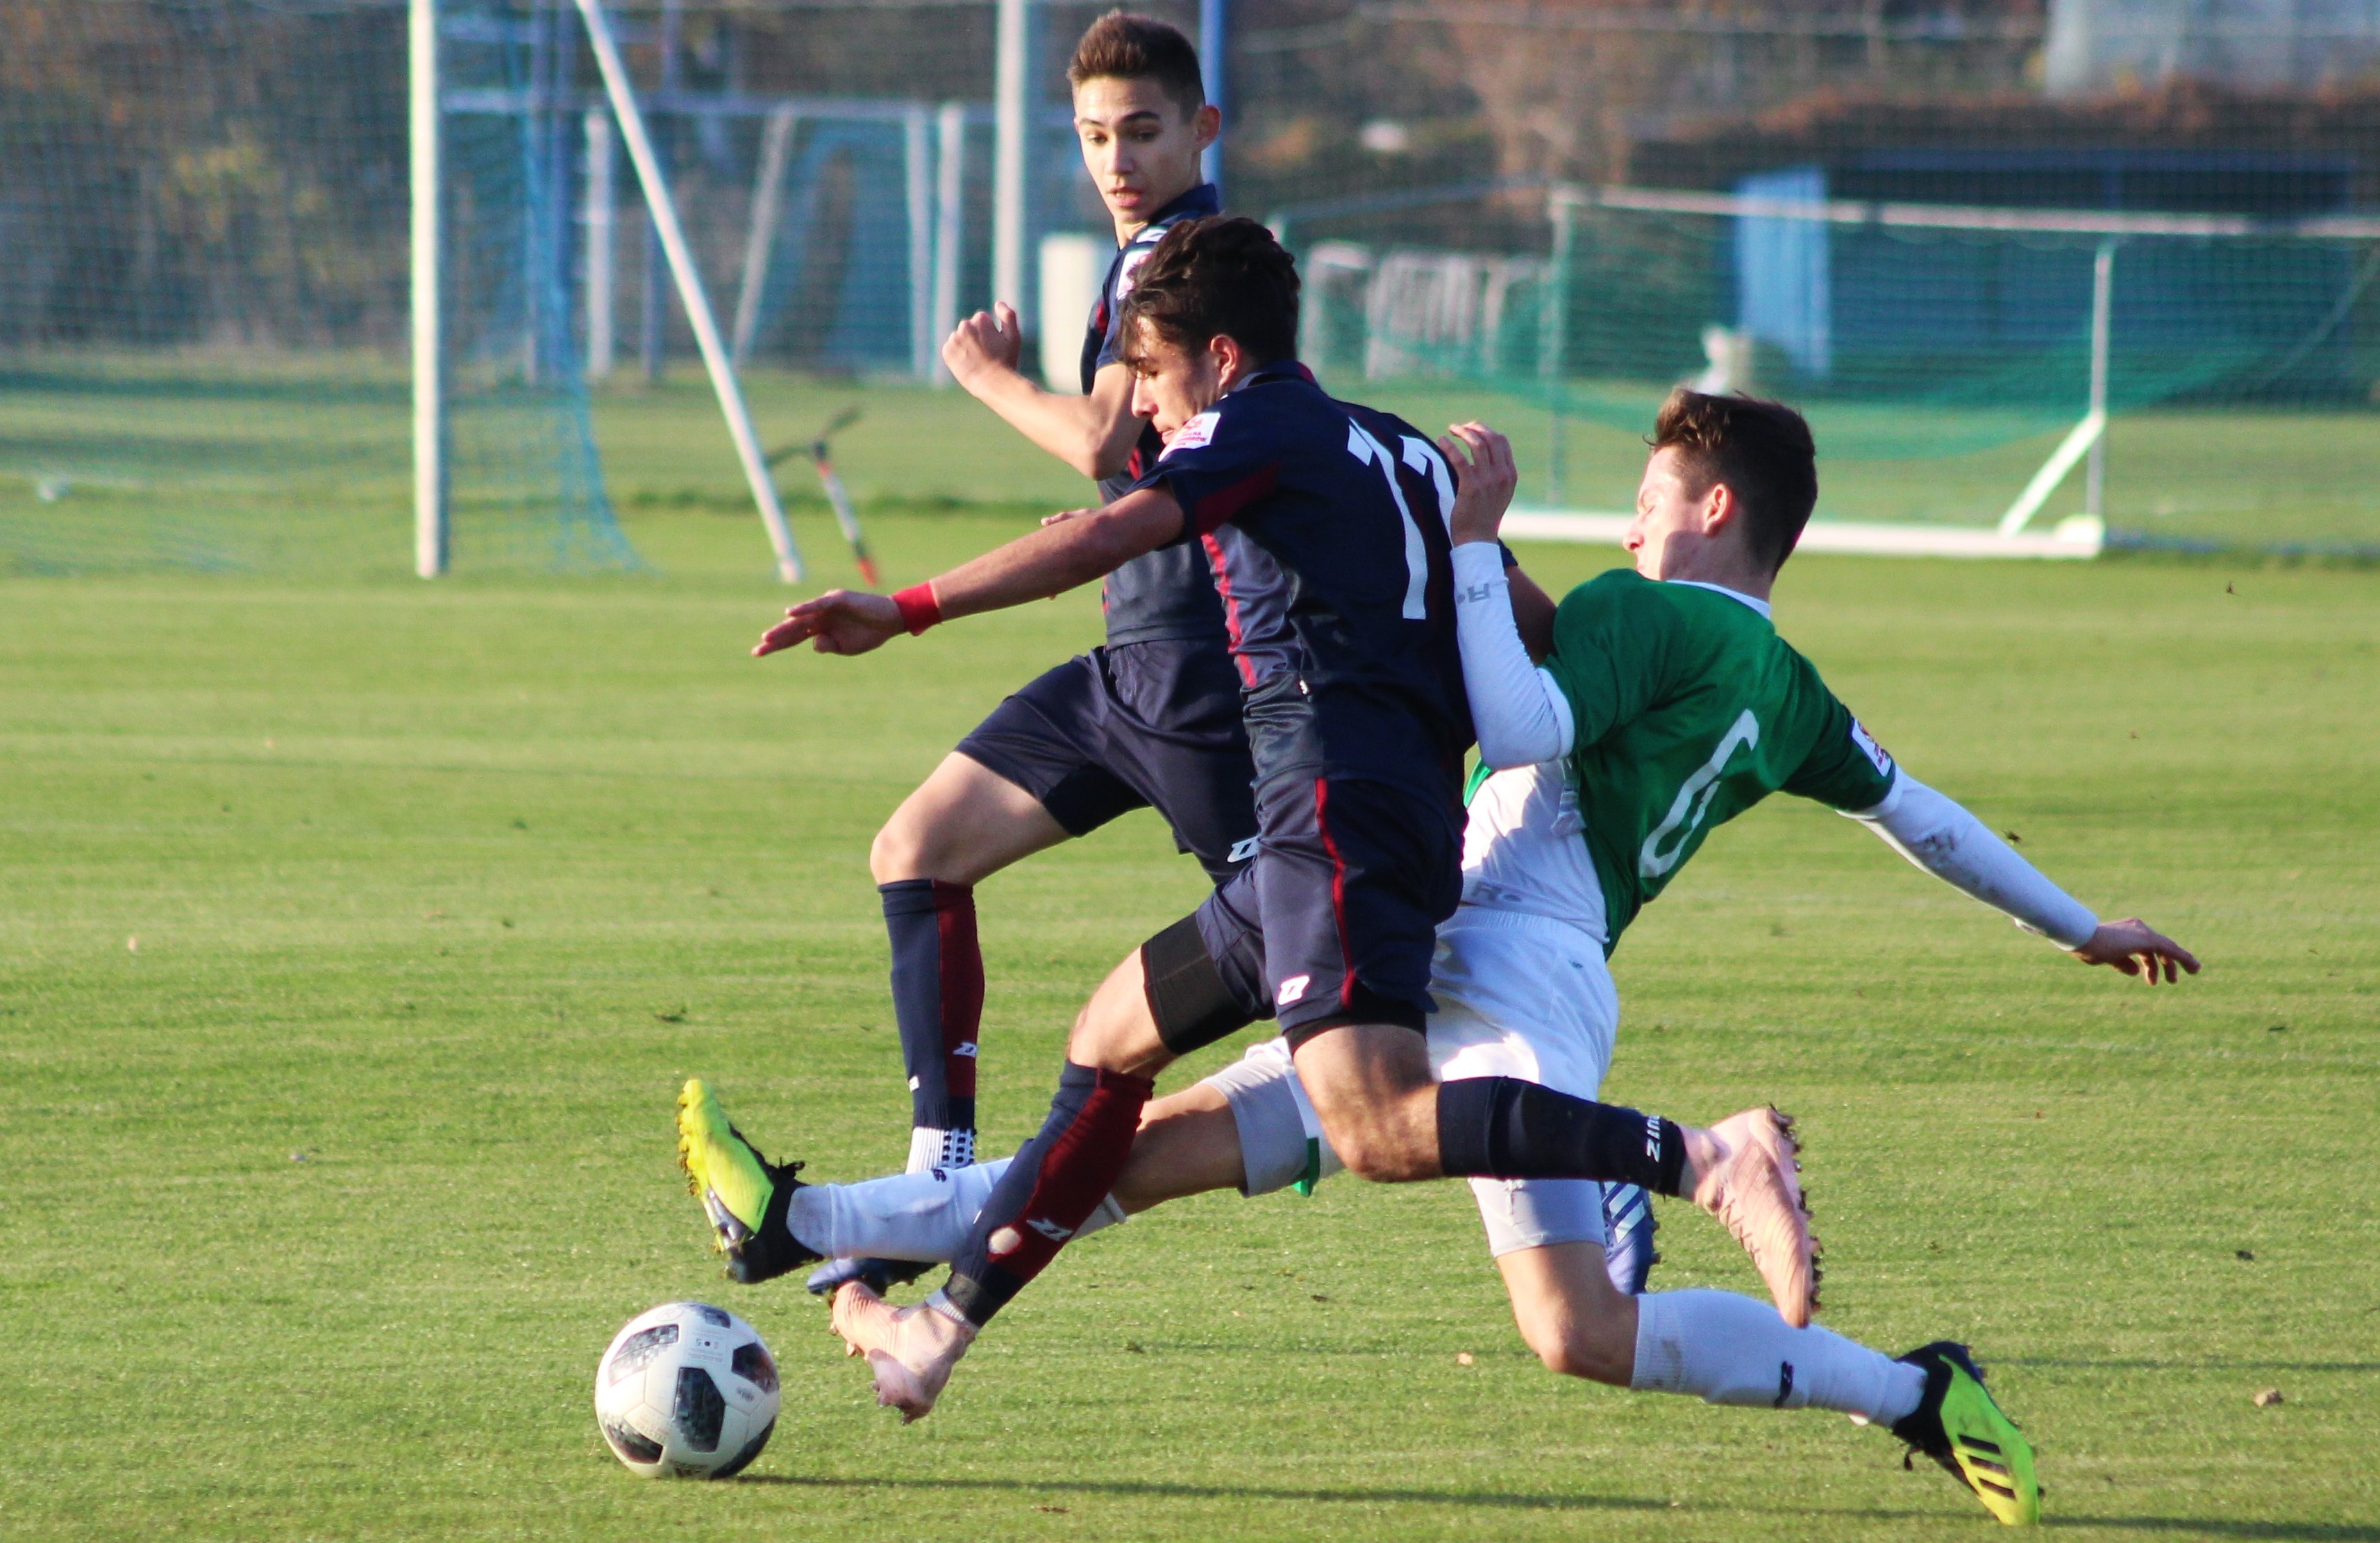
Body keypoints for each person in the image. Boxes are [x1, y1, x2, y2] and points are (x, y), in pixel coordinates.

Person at [684, 389, 2197, 1526]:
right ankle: (865, 1260)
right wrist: (2078, 922)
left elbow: (1528, 724)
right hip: (1479, 955)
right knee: (1134, 1154)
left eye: (1653, 497)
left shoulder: (1643, 611)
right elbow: (1922, 817)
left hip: (1502, 953)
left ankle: (1752, 1214)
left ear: (1717, 507)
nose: (1627, 525)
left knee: (1562, 1326)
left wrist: (1474, 550)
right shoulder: (1788, 686)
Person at [692, 218, 1830, 1428]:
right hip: (1338, 835)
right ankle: (932, 1330)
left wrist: (905, 606)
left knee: (1380, 1124)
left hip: (1332, 834)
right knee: (1107, 1046)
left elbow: (1109, 529)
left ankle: (1686, 1157)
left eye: (1162, 384)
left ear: (1223, 359)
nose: (1152, 423)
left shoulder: (1257, 426)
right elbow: (1543, 630)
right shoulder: (1399, 449)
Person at [803, 15, 1246, 1294]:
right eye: (1096, 137)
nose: (1118, 160)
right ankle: (941, 1167)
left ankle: (1581, 1147)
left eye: (1144, 131)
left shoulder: (1178, 250)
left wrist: (984, 375)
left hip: (1204, 677)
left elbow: (1108, 436)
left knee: (1358, 981)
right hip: (1133, 658)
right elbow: (1153, 463)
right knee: (917, 848)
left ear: (1202, 130)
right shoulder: (1159, 252)